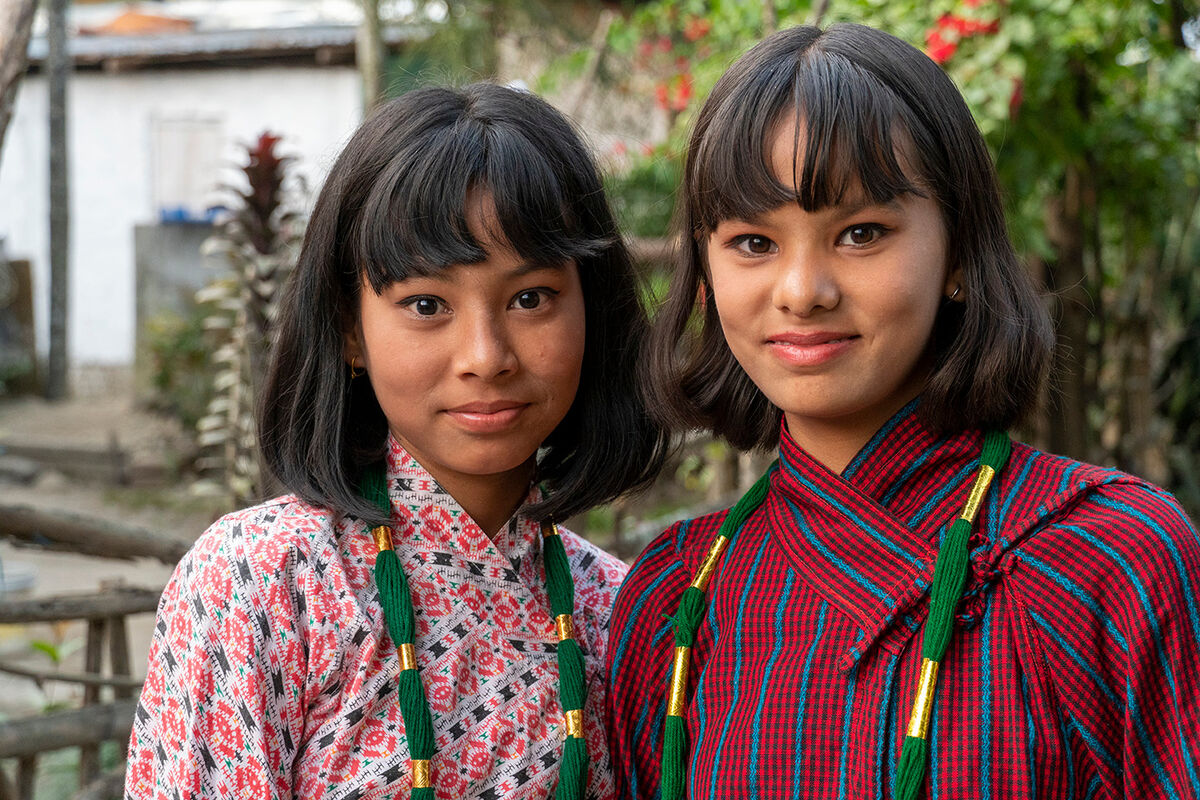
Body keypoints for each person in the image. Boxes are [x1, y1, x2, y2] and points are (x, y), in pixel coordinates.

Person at [606, 23, 1200, 800]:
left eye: (860, 234)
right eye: (753, 243)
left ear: (957, 251)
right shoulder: (677, 601)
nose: (801, 291)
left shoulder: (1110, 565)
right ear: (707, 271)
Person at [126, 83, 668, 800]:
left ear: (591, 311)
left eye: (530, 298)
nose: (485, 354)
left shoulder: (617, 613)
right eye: (426, 305)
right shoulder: (260, 586)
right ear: (351, 331)